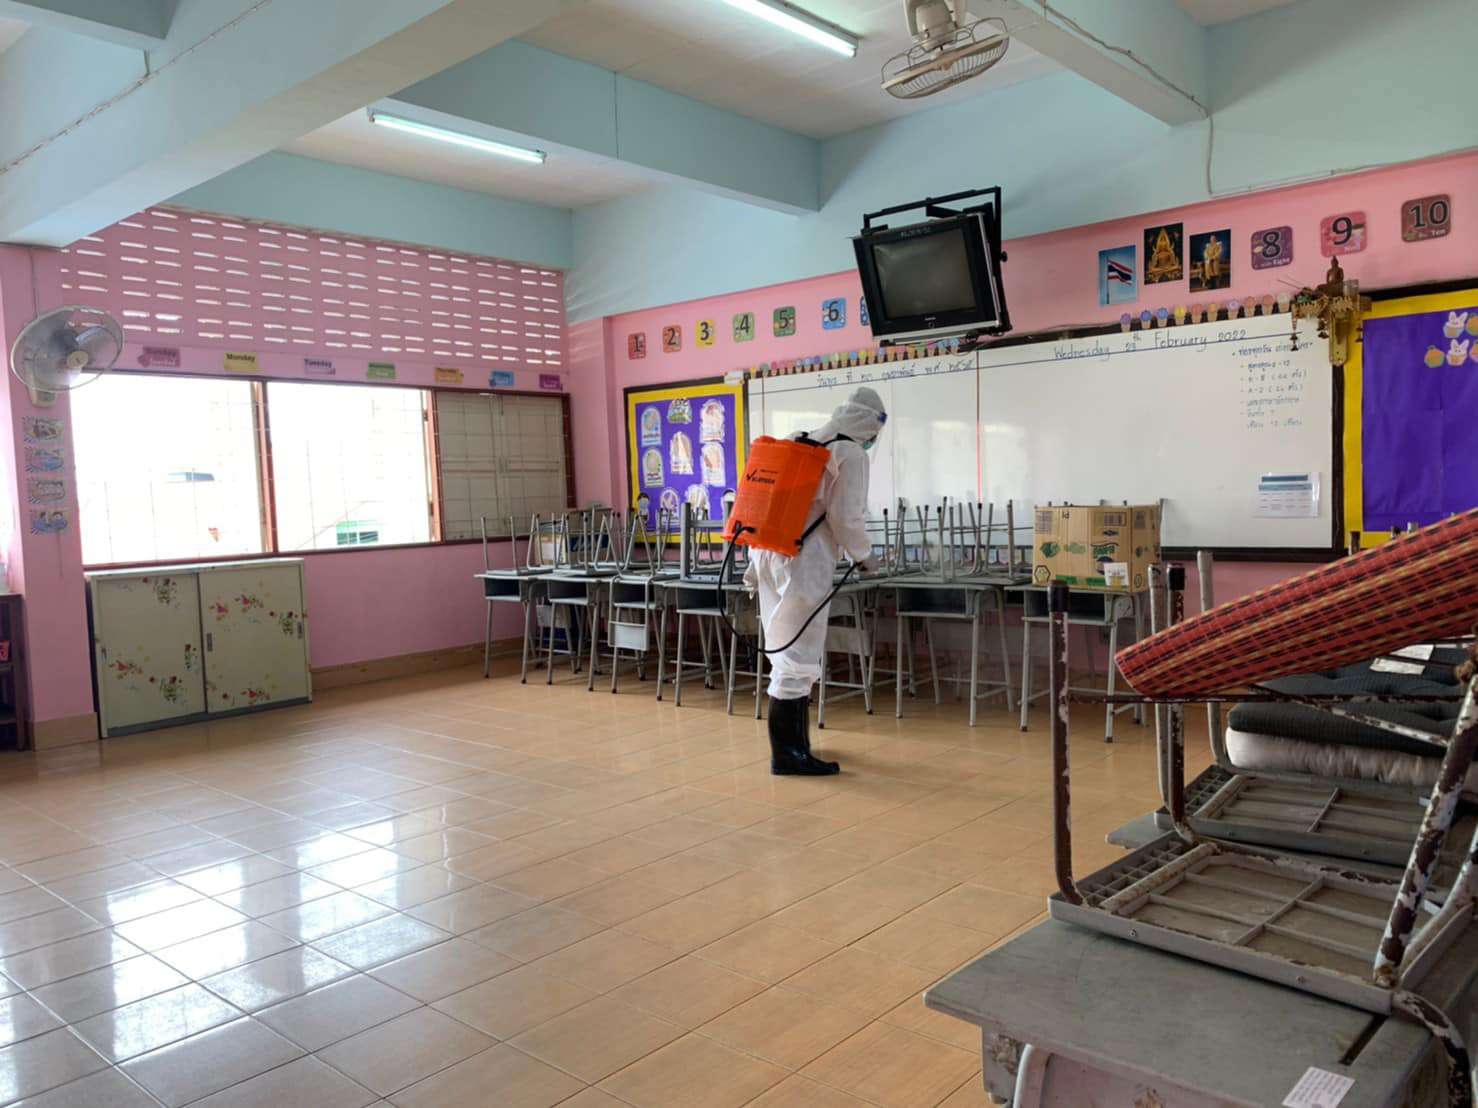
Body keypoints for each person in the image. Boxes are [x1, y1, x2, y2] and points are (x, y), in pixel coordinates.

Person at [745, 386, 886, 775]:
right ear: (871, 425)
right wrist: (865, 557)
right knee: (799, 654)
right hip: (803, 562)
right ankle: (787, 755)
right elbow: (845, 518)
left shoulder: (802, 439)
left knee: (783, 650)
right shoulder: (850, 453)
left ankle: (797, 745)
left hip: (767, 553)